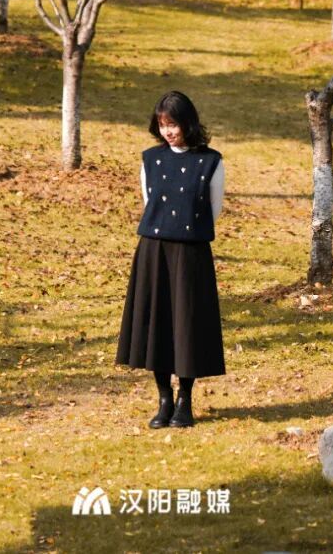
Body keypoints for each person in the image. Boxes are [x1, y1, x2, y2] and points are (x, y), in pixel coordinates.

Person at [115, 89, 226, 428]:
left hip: (191, 254)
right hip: (154, 252)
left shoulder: (211, 161)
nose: (168, 132)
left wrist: (187, 231)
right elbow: (149, 201)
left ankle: (184, 401)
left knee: (187, 326)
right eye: (163, 125)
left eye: (173, 124)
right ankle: (164, 399)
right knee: (158, 324)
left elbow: (214, 209)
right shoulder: (151, 159)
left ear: (188, 123)